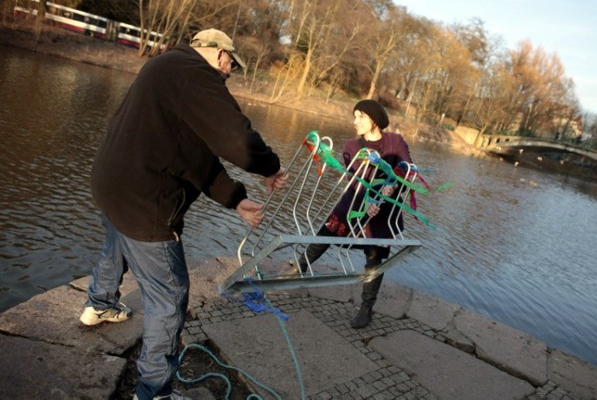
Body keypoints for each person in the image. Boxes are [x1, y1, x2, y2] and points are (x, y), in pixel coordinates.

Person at [80, 28, 287, 400]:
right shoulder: (196, 73)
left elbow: (194, 155)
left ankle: (99, 303)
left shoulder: (165, 65)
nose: (229, 72)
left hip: (112, 182)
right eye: (230, 63)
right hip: (145, 201)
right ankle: (154, 391)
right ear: (218, 52)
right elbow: (238, 141)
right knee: (170, 295)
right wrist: (270, 166)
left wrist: (236, 199)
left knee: (116, 242)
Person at [296, 99, 412, 329]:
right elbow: (354, 180)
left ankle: (366, 308)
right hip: (355, 201)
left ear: (375, 121)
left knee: (374, 257)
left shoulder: (396, 142)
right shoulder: (351, 146)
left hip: (384, 210)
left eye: (361, 116)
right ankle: (298, 268)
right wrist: (368, 201)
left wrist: (394, 185)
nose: (355, 121)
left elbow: (407, 170)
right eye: (355, 115)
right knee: (324, 235)